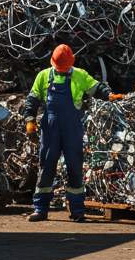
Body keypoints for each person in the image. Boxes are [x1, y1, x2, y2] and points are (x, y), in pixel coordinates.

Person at [21, 44, 111, 222]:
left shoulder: (79, 75)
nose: (61, 70)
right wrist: (29, 119)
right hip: (50, 128)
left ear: (71, 63)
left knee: (75, 168)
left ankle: (77, 210)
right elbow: (33, 98)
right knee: (46, 167)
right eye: (59, 67)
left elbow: (96, 88)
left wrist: (109, 95)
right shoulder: (44, 75)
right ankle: (40, 209)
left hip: (72, 128)